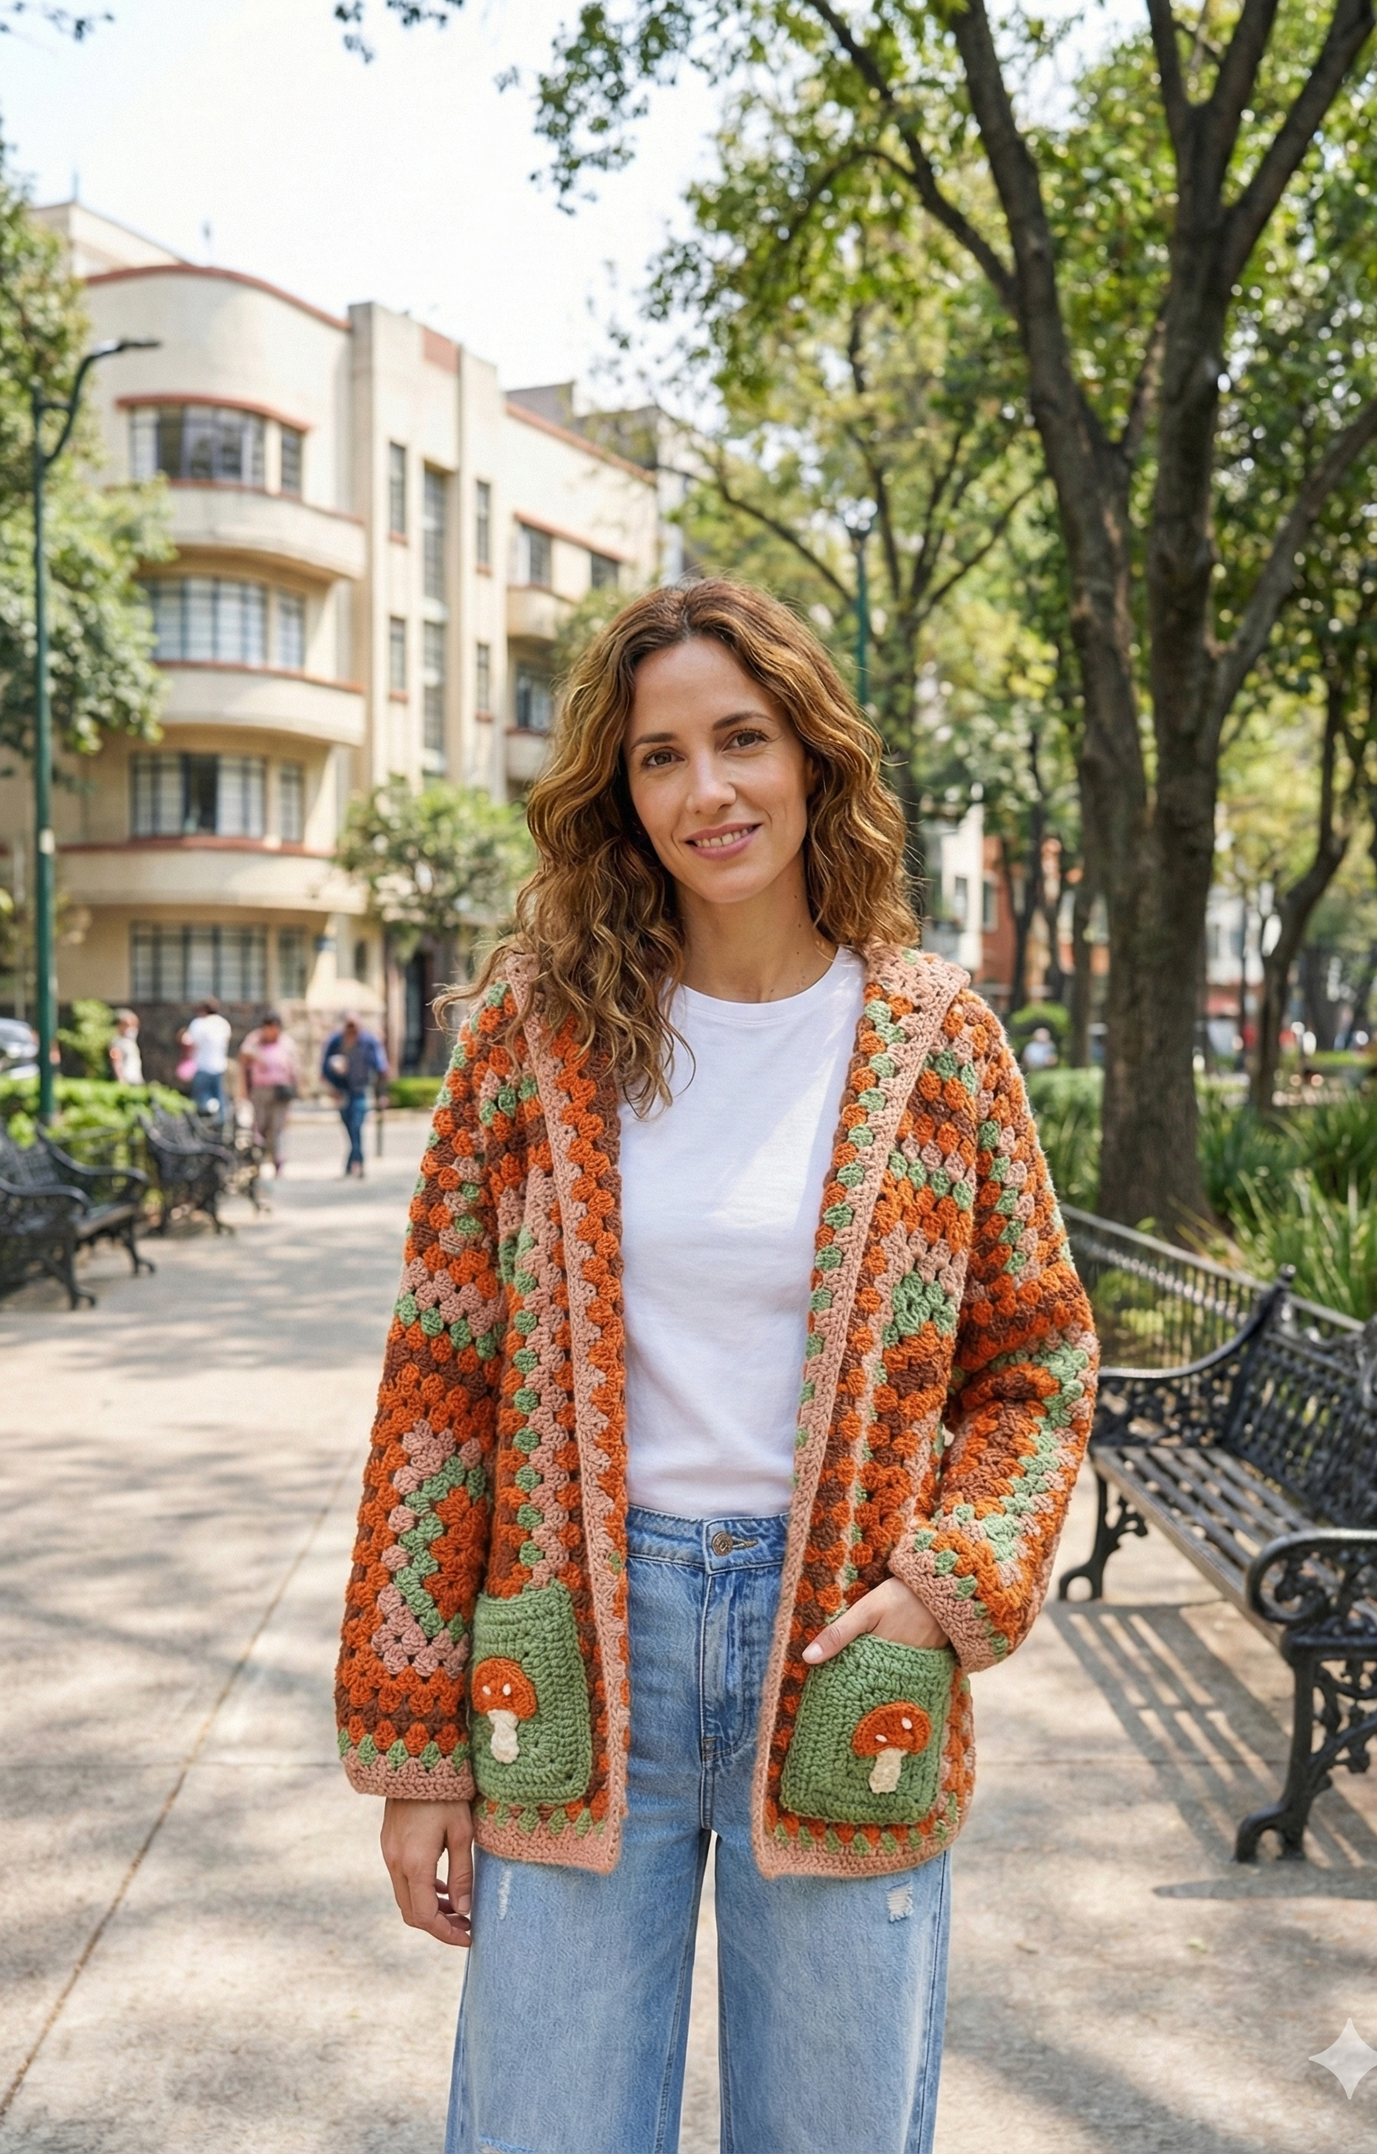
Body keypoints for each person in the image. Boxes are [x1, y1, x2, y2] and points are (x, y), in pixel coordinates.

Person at [334, 580, 1099, 2154]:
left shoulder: (934, 1037)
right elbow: (438, 1395)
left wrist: (946, 1585)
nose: (708, 791)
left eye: (741, 739)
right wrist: (414, 1752)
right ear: (619, 793)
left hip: (844, 1641)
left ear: (813, 756)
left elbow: (1035, 1352)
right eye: (660, 756)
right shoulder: (530, 1039)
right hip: (569, 1649)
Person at [321, 1011, 388, 1177]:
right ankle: (352, 1163)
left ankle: (358, 1163)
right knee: (348, 1128)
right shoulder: (336, 1041)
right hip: (342, 1091)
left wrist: (382, 1094)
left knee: (357, 1125)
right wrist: (332, 1085)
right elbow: (324, 1068)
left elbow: (381, 1068)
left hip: (361, 1090)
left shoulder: (368, 1042)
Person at [239, 1010, 301, 1174]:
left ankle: (278, 1160)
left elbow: (295, 1068)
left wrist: (297, 1089)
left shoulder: (287, 1043)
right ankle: (257, 1162)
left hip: (281, 1091)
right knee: (259, 1127)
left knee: (278, 1128)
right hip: (260, 1090)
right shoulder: (254, 1040)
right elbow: (244, 1061)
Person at [179, 997, 230, 1117]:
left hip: (202, 1066)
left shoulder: (198, 1023)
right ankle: (221, 1128)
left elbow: (189, 1043)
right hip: (220, 1066)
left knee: (201, 1103)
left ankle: (203, 1129)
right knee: (220, 1100)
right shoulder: (223, 1023)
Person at [107, 1008, 143, 1087]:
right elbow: (116, 1062)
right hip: (126, 1081)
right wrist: (121, 1080)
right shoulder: (117, 1043)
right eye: (127, 1025)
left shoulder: (131, 1042)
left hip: (136, 1079)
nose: (131, 1028)